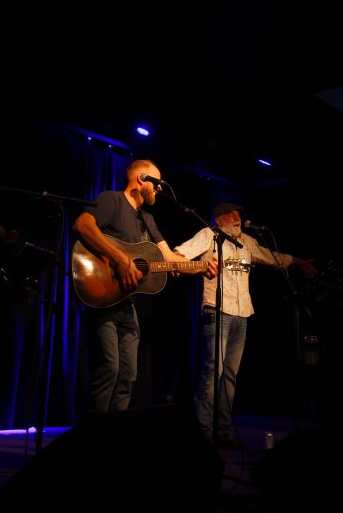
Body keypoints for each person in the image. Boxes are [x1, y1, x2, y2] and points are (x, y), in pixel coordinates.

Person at [72, 159, 216, 414]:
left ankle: (114, 431)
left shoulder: (147, 219)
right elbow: (82, 225)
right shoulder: (112, 200)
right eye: (156, 183)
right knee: (110, 367)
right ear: (141, 179)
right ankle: (93, 432)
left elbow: (169, 260)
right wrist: (121, 260)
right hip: (103, 296)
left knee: (128, 373)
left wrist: (202, 267)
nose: (159, 189)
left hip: (127, 305)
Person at [174, 203, 317, 447]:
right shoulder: (209, 235)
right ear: (219, 219)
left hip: (242, 314)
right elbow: (180, 253)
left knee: (230, 375)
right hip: (217, 311)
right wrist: (177, 262)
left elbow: (273, 258)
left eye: (238, 213)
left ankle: (224, 431)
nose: (237, 217)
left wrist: (298, 261)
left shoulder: (248, 242)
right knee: (212, 373)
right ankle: (203, 433)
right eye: (231, 214)